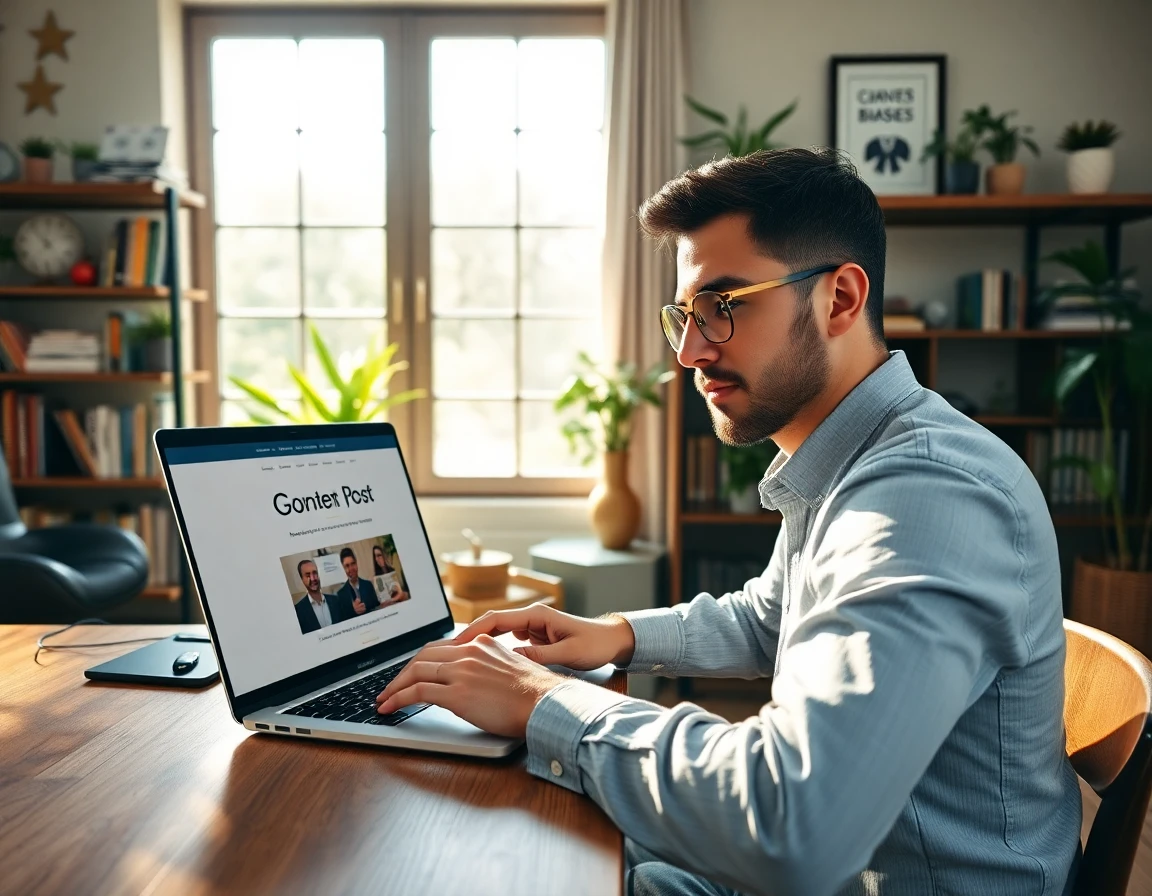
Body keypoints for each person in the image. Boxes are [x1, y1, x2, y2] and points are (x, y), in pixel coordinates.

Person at [374, 148, 1081, 895]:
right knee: (540, 847)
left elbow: (792, 824)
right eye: (685, 314)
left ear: (839, 298)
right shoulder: (852, 459)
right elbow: (772, 618)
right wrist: (616, 634)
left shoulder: (926, 495)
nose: (689, 351)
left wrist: (545, 701)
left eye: (726, 305)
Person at [293, 559, 345, 634]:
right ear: (302, 579)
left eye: (315, 573)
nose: (313, 578)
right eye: (308, 575)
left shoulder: (336, 600)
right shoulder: (298, 611)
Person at [337, 546, 380, 616]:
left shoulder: (368, 585)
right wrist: (352, 611)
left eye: (353, 563)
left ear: (356, 563)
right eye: (347, 566)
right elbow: (343, 619)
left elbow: (376, 607)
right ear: (343, 568)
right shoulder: (340, 595)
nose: (351, 569)